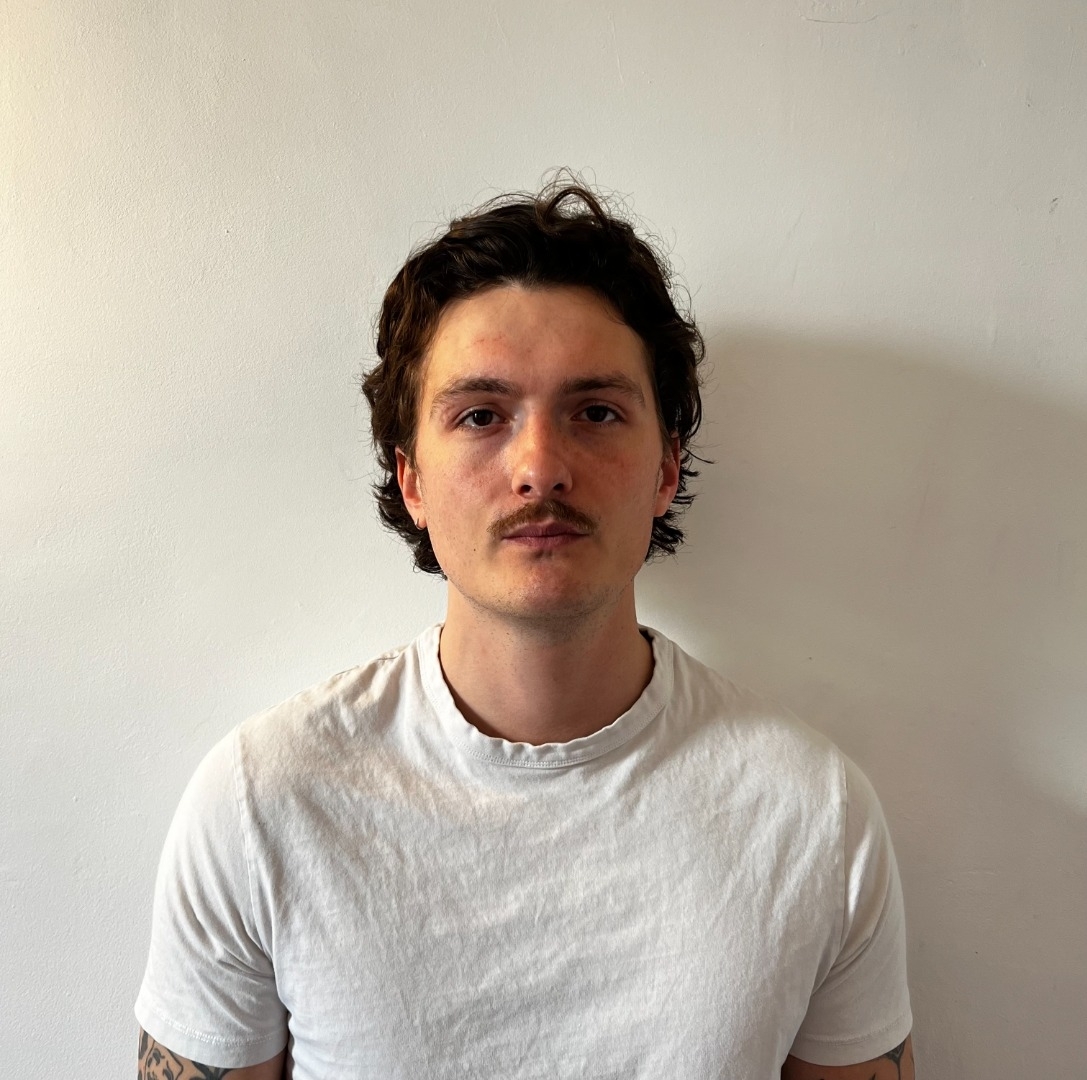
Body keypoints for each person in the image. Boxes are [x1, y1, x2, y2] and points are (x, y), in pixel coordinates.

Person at [136, 182, 914, 1080]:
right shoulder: (263, 802)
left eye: (596, 412)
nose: (540, 467)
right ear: (411, 479)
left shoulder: (812, 815)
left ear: (664, 469)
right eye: (480, 415)